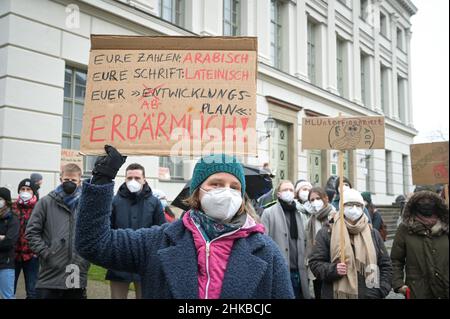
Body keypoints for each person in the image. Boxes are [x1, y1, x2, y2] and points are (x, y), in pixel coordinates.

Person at [75, 145, 294, 299]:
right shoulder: (157, 241)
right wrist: (103, 178)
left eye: (234, 187)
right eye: (216, 183)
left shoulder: (267, 252)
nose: (226, 192)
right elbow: (93, 243)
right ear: (197, 193)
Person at [308, 189, 392, 299]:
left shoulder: (373, 234)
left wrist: (382, 289)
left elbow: (385, 264)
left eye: (358, 205)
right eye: (349, 205)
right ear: (341, 207)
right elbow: (315, 263)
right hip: (336, 295)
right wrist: (333, 269)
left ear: (363, 208)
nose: (354, 209)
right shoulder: (327, 232)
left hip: (370, 294)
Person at [25, 164, 90, 299]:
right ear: (61, 179)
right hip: (50, 272)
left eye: (73, 181)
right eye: (66, 180)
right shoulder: (45, 202)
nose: (69, 183)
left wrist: (84, 258)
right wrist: (46, 253)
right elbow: (31, 232)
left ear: (80, 182)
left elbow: (92, 234)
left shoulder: (86, 205)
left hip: (76, 270)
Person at [106, 163, 166, 299]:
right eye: (130, 177)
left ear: (144, 180)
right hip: (119, 262)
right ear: (125, 179)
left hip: (146, 264)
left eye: (137, 178)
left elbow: (161, 230)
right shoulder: (115, 201)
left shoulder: (154, 202)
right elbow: (108, 230)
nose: (133, 181)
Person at [390, 190, 449, 299]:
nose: (426, 203)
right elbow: (396, 260)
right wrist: (398, 284)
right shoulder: (405, 229)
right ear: (415, 204)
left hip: (445, 289)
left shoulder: (446, 227)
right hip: (417, 291)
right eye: (422, 200)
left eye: (430, 200)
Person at [261, 180, 310, 299]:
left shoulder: (300, 213)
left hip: (300, 271)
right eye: (285, 190)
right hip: (280, 270)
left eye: (291, 190)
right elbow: (263, 242)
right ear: (278, 194)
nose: (288, 192)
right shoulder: (268, 213)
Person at [305, 187, 336, 299]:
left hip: (333, 264)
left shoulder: (334, 216)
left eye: (318, 198)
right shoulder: (310, 221)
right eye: (312, 200)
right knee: (319, 293)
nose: (315, 202)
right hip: (317, 265)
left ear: (326, 198)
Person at [13, 178, 39, 299]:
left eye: (28, 189)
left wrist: (38, 251)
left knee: (32, 291)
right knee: (9, 289)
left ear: (33, 192)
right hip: (13, 255)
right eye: (22, 189)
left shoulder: (39, 208)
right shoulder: (12, 208)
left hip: (32, 256)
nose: (25, 191)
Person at [0, 187, 19, 299]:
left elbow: (9, 242)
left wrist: (5, 239)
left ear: (6, 201)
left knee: (7, 296)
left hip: (6, 264)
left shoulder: (13, 219)